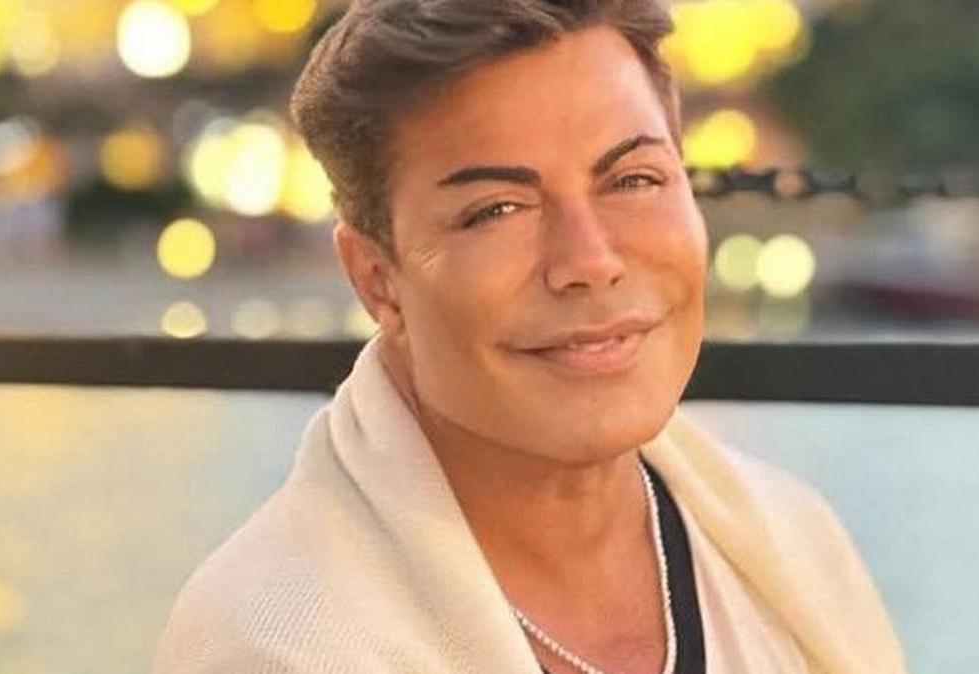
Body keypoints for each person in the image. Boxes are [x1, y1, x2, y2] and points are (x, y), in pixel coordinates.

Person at [153, 1, 907, 673]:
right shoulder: (278, 646)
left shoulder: (793, 546)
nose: (590, 261)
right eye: (497, 210)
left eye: (634, 180)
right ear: (378, 279)